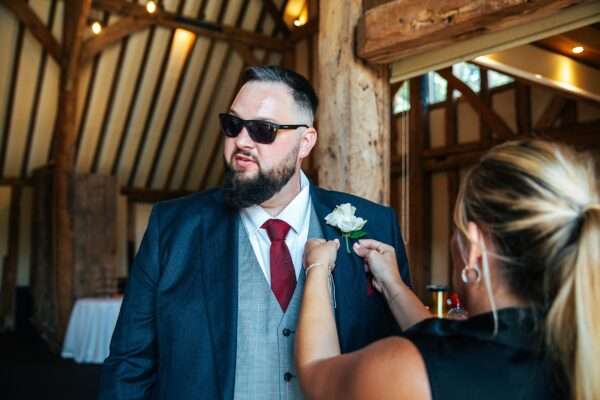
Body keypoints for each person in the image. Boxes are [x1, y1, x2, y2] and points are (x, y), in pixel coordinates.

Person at [99, 66, 411, 400]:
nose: (241, 142)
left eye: (263, 130)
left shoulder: (375, 226)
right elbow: (130, 364)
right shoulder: (172, 228)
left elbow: (403, 357)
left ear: (306, 142)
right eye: (233, 125)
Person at [296, 139, 600, 400]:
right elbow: (448, 342)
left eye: (457, 230)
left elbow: (316, 372)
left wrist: (318, 267)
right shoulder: (582, 350)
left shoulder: (405, 371)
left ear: (475, 246)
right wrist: (393, 285)